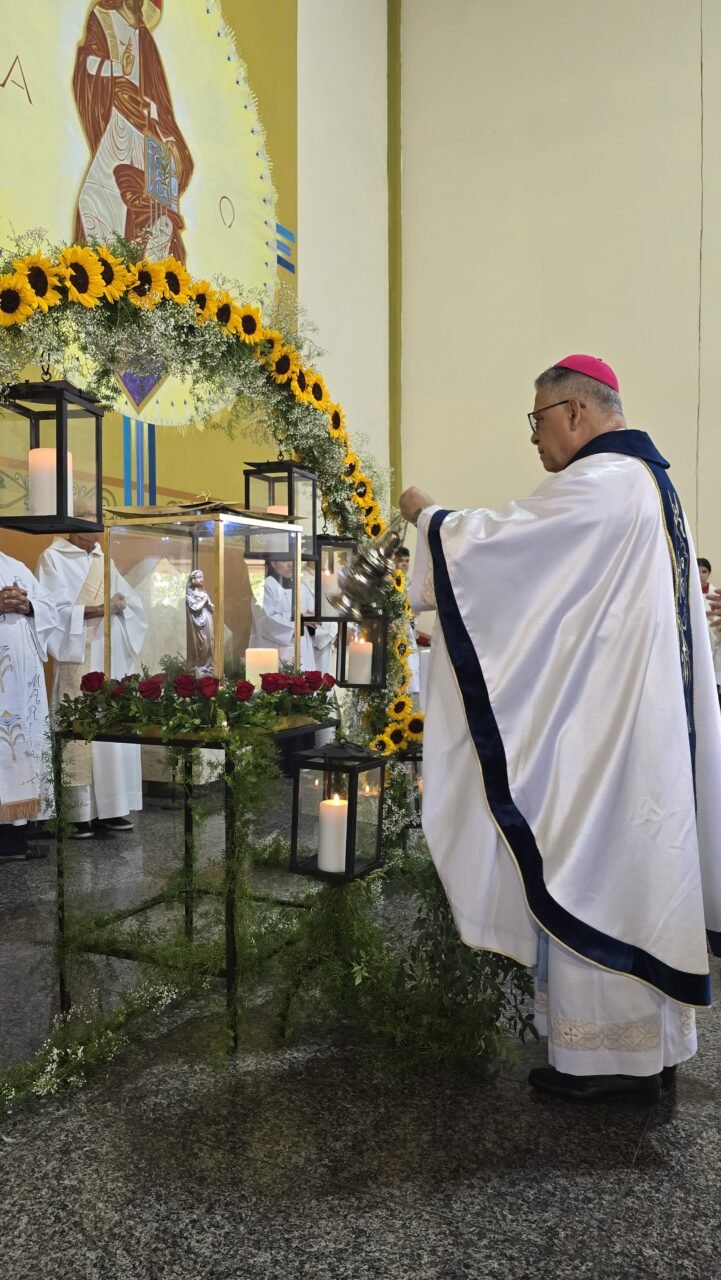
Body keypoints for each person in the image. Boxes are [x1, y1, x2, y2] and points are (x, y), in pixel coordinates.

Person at [401, 353, 721, 1105]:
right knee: (623, 876)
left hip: (610, 746)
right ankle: (639, 1055)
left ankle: (609, 1065)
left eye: (537, 421)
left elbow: (510, 550)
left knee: (594, 869)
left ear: (575, 412)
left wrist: (430, 517)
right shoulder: (643, 485)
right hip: (619, 727)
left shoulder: (606, 484)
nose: (535, 440)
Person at [37, 529, 147, 840]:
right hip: (78, 653)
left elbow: (132, 604)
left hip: (108, 652)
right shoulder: (52, 558)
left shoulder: (103, 558)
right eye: (88, 520)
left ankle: (112, 809)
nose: (97, 529)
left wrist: (123, 606)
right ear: (71, 524)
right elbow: (49, 612)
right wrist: (99, 610)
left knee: (110, 732)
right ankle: (79, 813)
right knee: (80, 733)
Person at [73, 0, 194, 259]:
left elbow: (160, 100)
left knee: (160, 218)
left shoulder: (145, 38)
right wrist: (120, 69)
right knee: (93, 198)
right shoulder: (103, 18)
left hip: (148, 128)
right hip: (119, 120)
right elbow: (87, 66)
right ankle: (104, 272)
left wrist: (170, 137)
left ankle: (147, 282)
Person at [0, 551, 58, 863]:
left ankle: (14, 841)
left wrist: (30, 606)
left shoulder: (15, 564)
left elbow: (49, 605)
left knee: (20, 753)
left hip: (22, 689)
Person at [697, 558, 721, 696]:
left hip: (716, 639)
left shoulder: (715, 593)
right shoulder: (682, 595)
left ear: (709, 573)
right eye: (698, 571)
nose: (701, 575)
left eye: (704, 571)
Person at [185, 569, 214, 676]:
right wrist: (204, 601)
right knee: (200, 644)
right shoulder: (189, 594)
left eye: (202, 577)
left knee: (209, 644)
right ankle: (199, 666)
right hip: (197, 626)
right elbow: (194, 607)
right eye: (199, 577)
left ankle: (208, 667)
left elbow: (211, 608)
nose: (202, 579)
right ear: (192, 580)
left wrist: (209, 605)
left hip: (207, 622)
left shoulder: (204, 593)